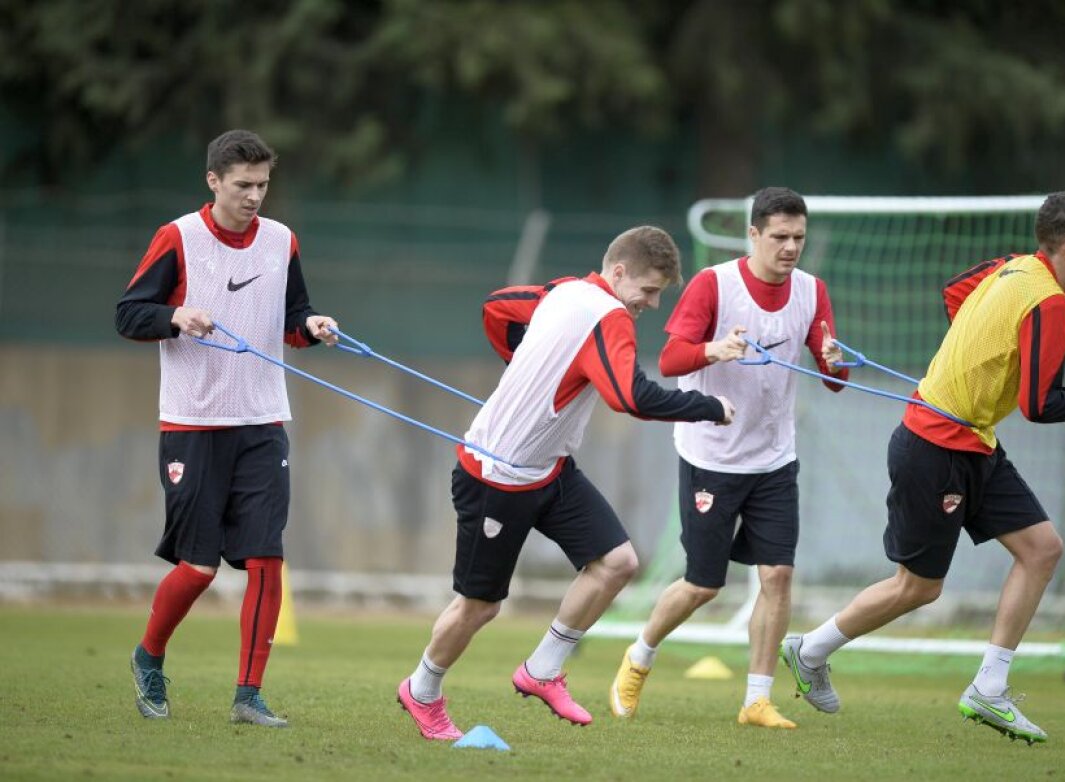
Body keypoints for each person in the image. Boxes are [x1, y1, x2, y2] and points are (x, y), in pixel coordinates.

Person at [778, 190, 1065, 744]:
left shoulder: (1011, 268)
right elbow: (1039, 405)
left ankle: (988, 688)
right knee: (918, 588)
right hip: (934, 448)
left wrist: (980, 350)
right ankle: (809, 650)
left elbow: (955, 294)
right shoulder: (1050, 303)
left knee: (1042, 548)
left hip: (975, 442)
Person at [396, 226, 735, 741]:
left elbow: (499, 307)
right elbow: (631, 397)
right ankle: (421, 691)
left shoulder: (562, 290)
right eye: (647, 289)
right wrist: (709, 408)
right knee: (480, 605)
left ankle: (542, 670)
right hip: (496, 477)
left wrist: (529, 362)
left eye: (660, 293)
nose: (652, 302)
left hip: (551, 469)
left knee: (616, 563)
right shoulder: (610, 316)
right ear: (618, 273)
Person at [115, 129, 339, 728]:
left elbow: (291, 319)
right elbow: (129, 314)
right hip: (192, 423)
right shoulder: (178, 237)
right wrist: (175, 316)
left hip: (263, 423)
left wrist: (312, 325)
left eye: (263, 185)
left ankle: (248, 696)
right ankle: (149, 657)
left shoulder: (281, 241)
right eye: (243, 185)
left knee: (267, 560)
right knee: (198, 567)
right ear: (213, 181)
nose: (255, 196)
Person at [608, 187, 848, 729]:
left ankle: (757, 700)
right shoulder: (714, 284)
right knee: (703, 585)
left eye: (799, 238)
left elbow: (834, 378)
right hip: (711, 456)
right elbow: (669, 360)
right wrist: (714, 349)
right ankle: (640, 656)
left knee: (779, 576)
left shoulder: (812, 291)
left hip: (774, 460)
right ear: (754, 235)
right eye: (780, 237)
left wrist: (835, 362)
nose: (790, 248)